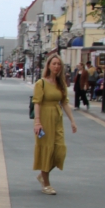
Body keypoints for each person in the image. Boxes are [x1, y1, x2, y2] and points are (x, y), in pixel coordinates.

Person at [33, 55, 78, 195]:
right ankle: (46, 184)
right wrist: (37, 121)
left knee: (60, 150)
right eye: (54, 64)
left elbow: (64, 102)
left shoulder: (61, 83)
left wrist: (72, 120)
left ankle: (42, 174)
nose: (56, 66)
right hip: (45, 118)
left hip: (57, 118)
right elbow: (37, 102)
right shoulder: (41, 83)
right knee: (47, 149)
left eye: (59, 64)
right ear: (49, 65)